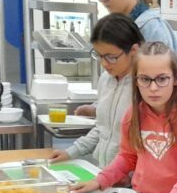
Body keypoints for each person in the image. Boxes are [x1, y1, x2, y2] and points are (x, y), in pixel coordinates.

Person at [72, 42, 177, 193]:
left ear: (176, 78)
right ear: (136, 80)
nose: (153, 88)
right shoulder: (134, 114)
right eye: (145, 79)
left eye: (161, 79)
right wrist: (100, 180)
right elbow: (128, 156)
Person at [50, 14, 141, 167]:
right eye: (99, 56)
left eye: (111, 57)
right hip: (102, 171)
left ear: (133, 50)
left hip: (130, 177)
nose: (104, 63)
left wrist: (131, 174)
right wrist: (70, 152)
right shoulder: (106, 80)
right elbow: (101, 130)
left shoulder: (145, 85)